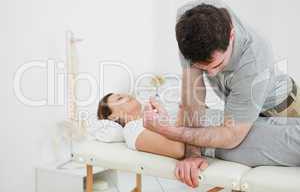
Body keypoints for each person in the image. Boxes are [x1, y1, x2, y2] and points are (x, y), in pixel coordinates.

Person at [174, 0, 300, 187]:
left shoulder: (255, 57)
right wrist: (192, 154)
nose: (213, 74)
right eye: (203, 68)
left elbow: (232, 136)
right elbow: (193, 98)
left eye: (217, 65)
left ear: (232, 35)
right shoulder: (188, 27)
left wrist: (174, 132)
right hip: (239, 105)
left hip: (283, 106)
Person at [97, 93, 300, 187]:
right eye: (118, 100)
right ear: (114, 117)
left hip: (235, 122)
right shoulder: (133, 130)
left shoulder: (152, 117)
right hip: (227, 141)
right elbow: (177, 149)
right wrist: (174, 114)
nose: (127, 96)